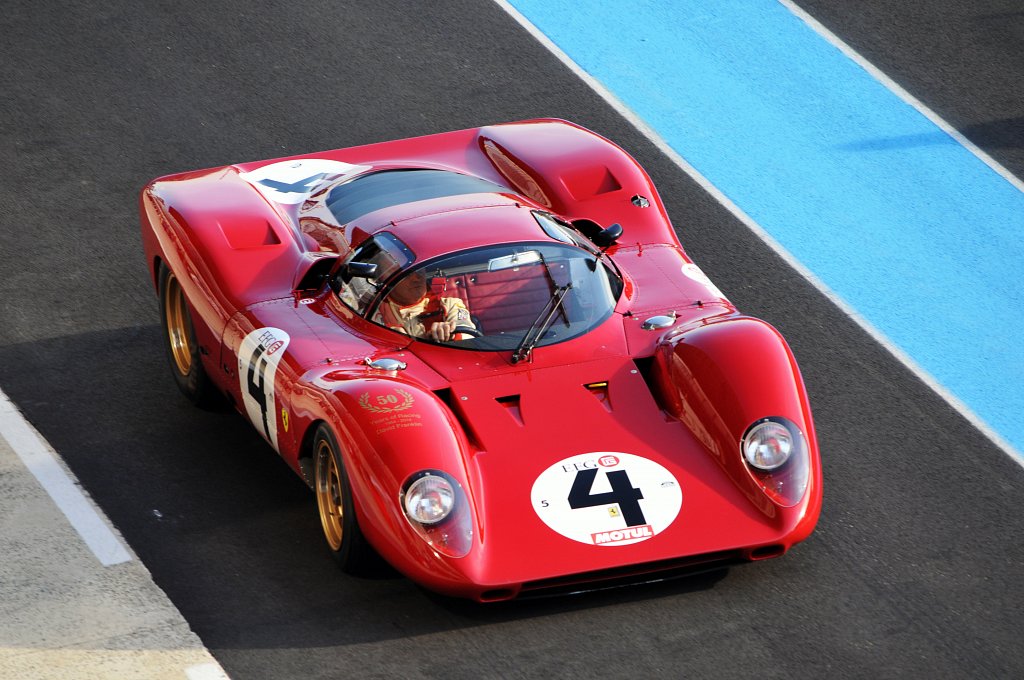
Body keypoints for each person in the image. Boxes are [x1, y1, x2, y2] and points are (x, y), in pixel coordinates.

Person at [376, 270, 475, 341]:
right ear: (385, 279)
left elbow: (468, 333)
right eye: (406, 273)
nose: (416, 278)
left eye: (419, 271)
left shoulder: (450, 304)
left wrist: (451, 334)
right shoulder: (374, 310)